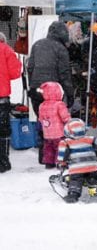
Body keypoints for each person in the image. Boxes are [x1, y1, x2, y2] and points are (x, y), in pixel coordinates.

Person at [27, 21, 74, 164]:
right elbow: (64, 74)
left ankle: (43, 155)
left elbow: (30, 68)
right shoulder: (61, 49)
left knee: (43, 122)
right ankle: (55, 156)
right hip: (53, 93)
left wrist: (34, 86)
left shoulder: (37, 45)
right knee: (56, 124)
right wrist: (69, 93)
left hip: (36, 90)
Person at [57, 118, 97, 203]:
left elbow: (62, 155)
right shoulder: (92, 139)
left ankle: (74, 193)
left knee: (76, 179)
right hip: (92, 166)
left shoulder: (66, 142)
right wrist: (95, 159)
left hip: (77, 168)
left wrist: (62, 163)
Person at [0, 32, 22, 173]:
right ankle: (3, 162)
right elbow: (15, 73)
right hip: (1, 97)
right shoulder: (5, 49)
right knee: (3, 131)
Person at [38, 82, 71, 169]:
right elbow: (65, 117)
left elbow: (41, 119)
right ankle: (60, 162)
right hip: (58, 133)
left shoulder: (42, 105)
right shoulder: (59, 104)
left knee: (48, 148)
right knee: (59, 148)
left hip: (47, 133)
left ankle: (48, 163)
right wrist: (69, 122)